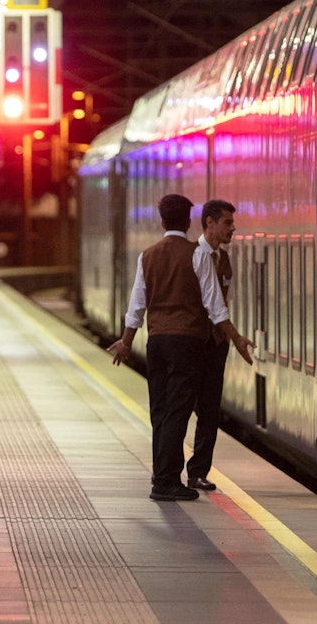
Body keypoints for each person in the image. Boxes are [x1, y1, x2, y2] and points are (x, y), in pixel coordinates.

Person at [107, 194, 254, 501]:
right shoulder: (196, 255)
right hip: (187, 342)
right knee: (177, 411)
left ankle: (164, 475)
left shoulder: (147, 254)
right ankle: (165, 481)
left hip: (156, 341)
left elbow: (137, 305)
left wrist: (126, 341)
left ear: (162, 221)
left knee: (160, 411)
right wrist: (236, 337)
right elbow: (215, 307)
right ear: (189, 222)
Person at [187, 199, 241, 491]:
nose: (232, 228)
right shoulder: (196, 256)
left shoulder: (224, 258)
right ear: (209, 223)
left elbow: (222, 301)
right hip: (195, 341)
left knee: (209, 410)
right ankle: (172, 470)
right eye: (227, 223)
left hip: (215, 343)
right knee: (187, 406)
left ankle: (197, 471)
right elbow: (210, 303)